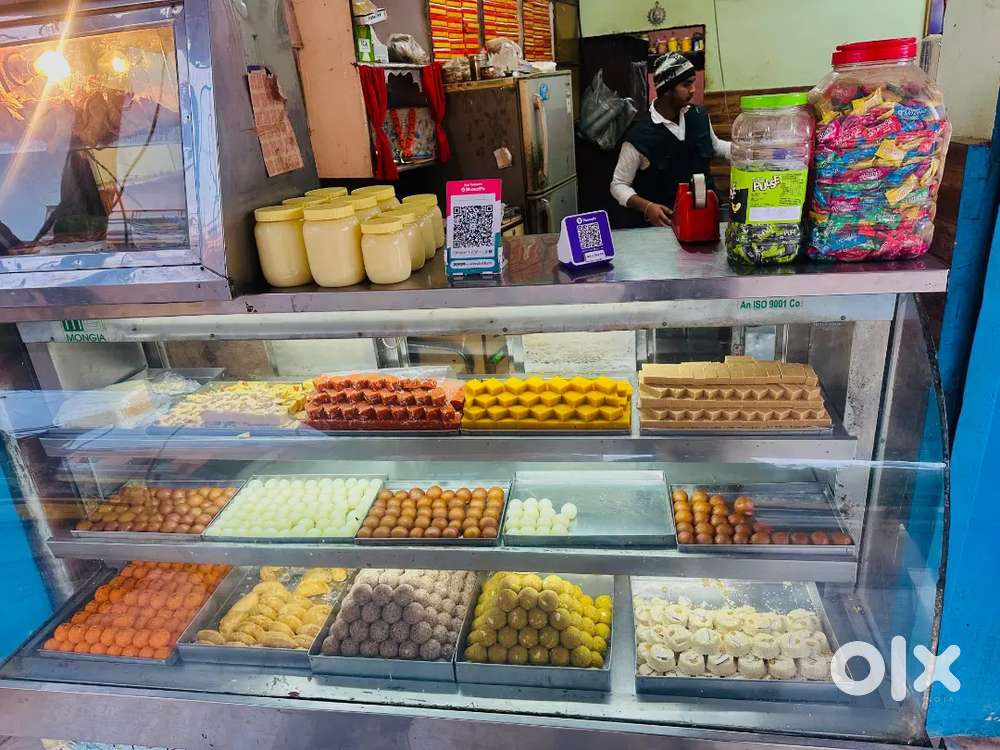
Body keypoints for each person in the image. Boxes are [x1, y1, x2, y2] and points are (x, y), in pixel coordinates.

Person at [611, 52, 731, 227]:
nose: (693, 90)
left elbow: (714, 146)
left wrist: (746, 152)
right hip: (666, 226)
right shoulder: (639, 136)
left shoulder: (698, 116)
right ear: (666, 90)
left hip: (705, 216)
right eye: (686, 85)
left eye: (693, 83)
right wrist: (647, 207)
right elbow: (619, 185)